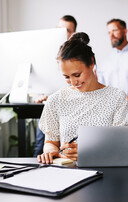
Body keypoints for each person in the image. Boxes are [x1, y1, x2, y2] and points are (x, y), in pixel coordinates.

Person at [37, 32, 128, 202]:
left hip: (110, 178)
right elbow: (50, 141)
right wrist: (51, 151)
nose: (72, 82)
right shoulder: (55, 100)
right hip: (70, 179)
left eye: (77, 75)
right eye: (66, 77)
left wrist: (90, 152)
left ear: (92, 65)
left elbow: (125, 145)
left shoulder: (115, 97)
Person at [33, 15, 78, 157]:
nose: (63, 33)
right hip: (50, 104)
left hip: (71, 107)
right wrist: (37, 95)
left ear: (74, 33)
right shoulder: (44, 53)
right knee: (41, 146)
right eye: (60, 29)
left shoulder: (80, 56)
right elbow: (35, 82)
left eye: (68, 30)